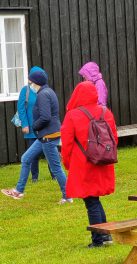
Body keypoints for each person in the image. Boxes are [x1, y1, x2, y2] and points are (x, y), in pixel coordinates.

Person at [61, 81, 117, 248]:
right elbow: (114, 138)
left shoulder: (72, 115)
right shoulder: (106, 112)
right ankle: (106, 235)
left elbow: (67, 144)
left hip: (83, 163)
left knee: (91, 201)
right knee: (95, 199)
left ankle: (97, 240)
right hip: (102, 161)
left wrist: (68, 163)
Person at [1, 68, 71, 203]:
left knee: (56, 168)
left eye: (31, 82)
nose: (29, 84)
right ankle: (18, 191)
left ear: (36, 82)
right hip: (46, 136)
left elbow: (45, 117)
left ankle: (68, 196)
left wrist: (34, 127)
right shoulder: (49, 91)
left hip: (48, 137)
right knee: (26, 158)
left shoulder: (43, 95)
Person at [17, 66, 55, 182]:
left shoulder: (45, 91)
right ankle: (34, 177)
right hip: (32, 128)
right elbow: (21, 108)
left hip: (45, 127)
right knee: (33, 154)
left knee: (49, 151)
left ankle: (54, 175)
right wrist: (25, 124)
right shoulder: (26, 90)